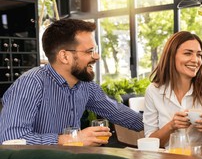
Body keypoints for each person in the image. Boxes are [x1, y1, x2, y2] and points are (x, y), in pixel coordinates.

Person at [0, 19, 143, 146]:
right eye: (89, 51)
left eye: (96, 50)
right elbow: (10, 139)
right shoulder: (31, 83)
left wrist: (163, 123)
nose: (97, 56)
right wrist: (72, 139)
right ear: (64, 56)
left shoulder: (86, 86)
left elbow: (123, 115)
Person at [143, 31, 202, 149]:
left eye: (199, 55)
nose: (195, 60)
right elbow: (150, 141)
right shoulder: (153, 91)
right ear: (171, 56)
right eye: (188, 53)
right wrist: (171, 126)